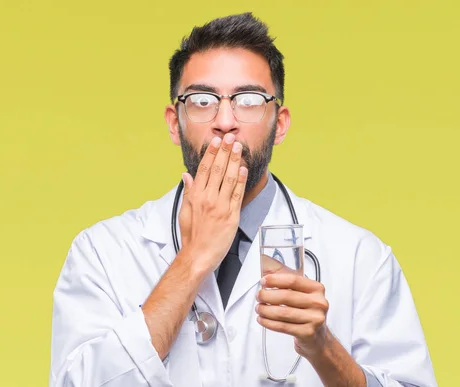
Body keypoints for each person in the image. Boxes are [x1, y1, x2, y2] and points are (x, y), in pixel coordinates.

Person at [49, 12, 436, 387]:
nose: (225, 120)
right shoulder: (101, 252)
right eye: (202, 100)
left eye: (248, 99)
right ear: (174, 122)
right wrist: (194, 258)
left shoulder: (359, 257)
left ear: (279, 124)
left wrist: (323, 349)